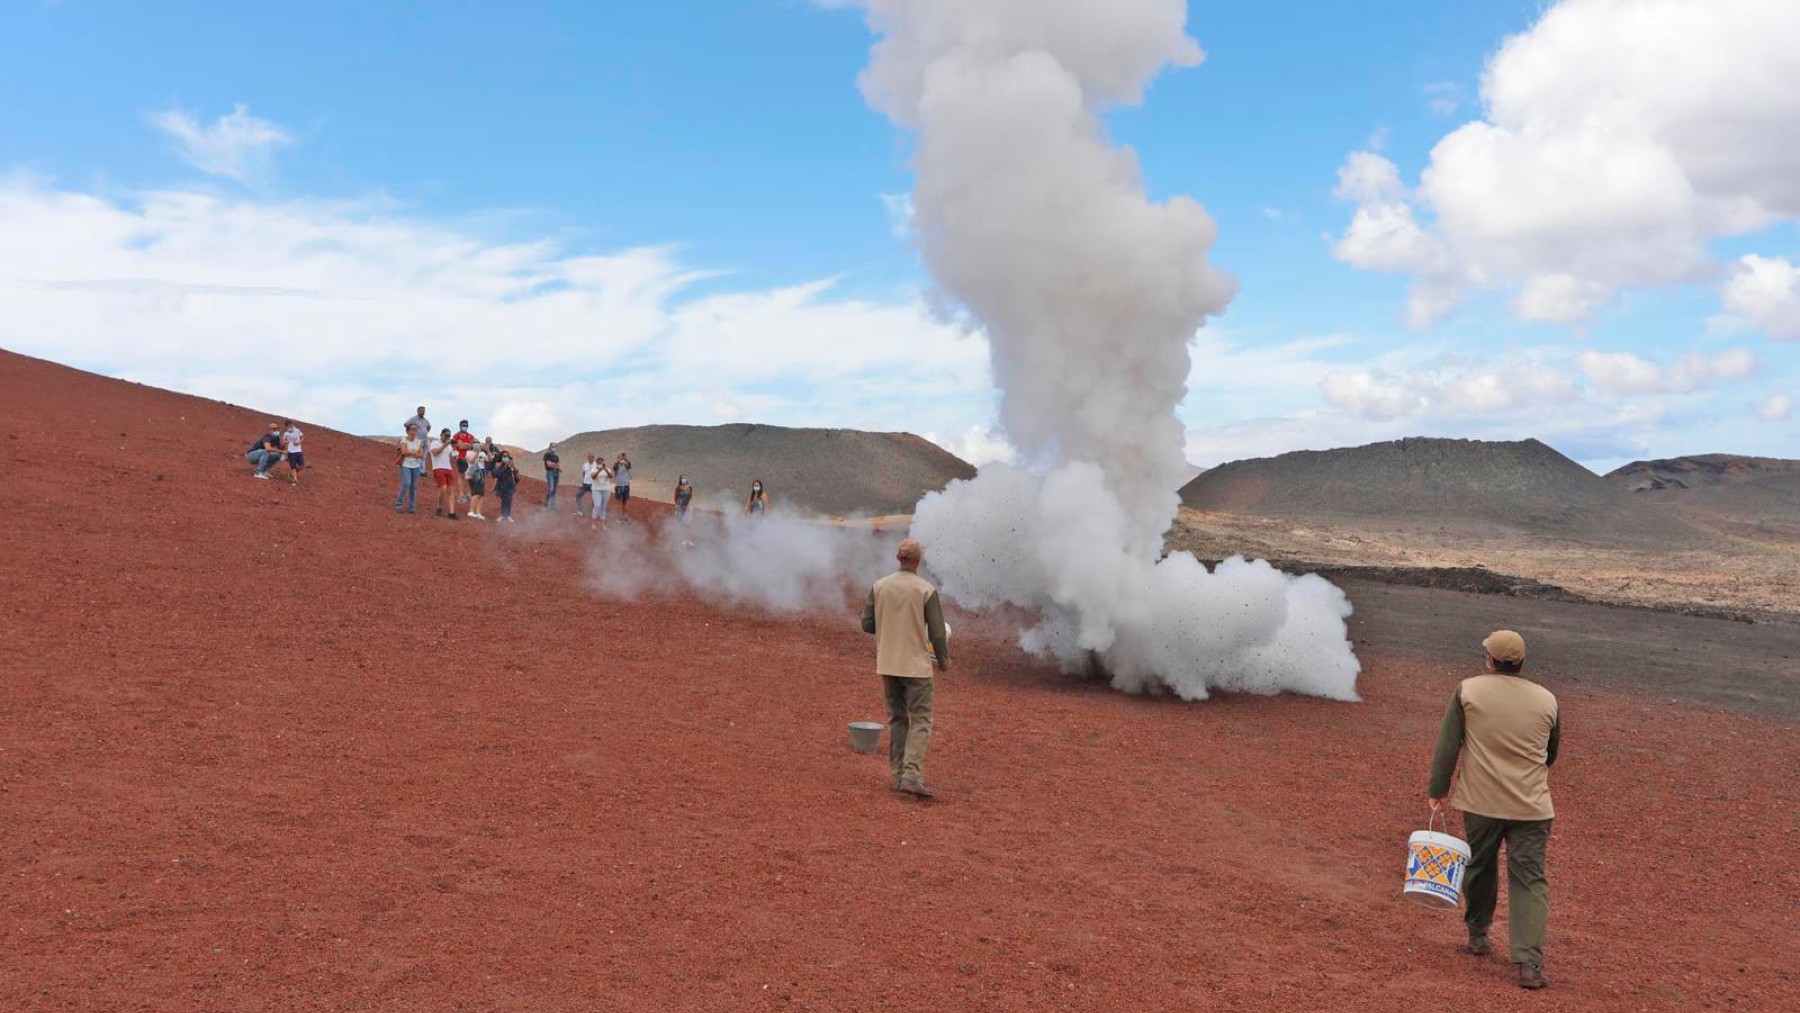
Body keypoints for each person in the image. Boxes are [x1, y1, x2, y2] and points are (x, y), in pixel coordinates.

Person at [1427, 629, 1561, 991]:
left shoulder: (1468, 690)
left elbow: (1448, 745)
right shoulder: (1546, 699)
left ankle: (1478, 935)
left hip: (1481, 802)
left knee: (1481, 864)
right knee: (1529, 878)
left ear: (1489, 660)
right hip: (1532, 807)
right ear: (1521, 662)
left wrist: (1438, 790)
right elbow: (1550, 753)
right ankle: (1529, 963)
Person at [860, 539, 950, 799]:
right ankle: (911, 775)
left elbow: (867, 623)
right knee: (921, 719)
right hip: (916, 667)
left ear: (898, 558)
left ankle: (898, 774)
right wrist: (944, 661)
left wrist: (890, 626)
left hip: (887, 663)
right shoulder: (926, 590)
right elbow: (937, 632)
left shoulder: (880, 586)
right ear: (918, 561)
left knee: (897, 718)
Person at [428, 428, 460, 519]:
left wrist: (454, 449)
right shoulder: (435, 443)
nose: (447, 437)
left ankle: (451, 512)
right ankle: (439, 506)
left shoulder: (449, 446)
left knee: (451, 490)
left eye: (449, 436)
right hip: (438, 468)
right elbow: (434, 453)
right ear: (441, 435)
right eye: (446, 435)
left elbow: (452, 457)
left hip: (448, 468)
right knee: (443, 489)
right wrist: (445, 445)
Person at [394, 423, 425, 513]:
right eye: (412, 429)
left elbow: (420, 454)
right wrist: (414, 454)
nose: (414, 432)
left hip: (416, 466)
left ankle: (412, 507)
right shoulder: (403, 440)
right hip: (405, 465)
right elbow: (403, 452)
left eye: (415, 430)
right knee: (406, 483)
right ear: (407, 431)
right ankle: (398, 504)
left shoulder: (419, 441)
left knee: (413, 486)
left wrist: (410, 452)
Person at [451, 421, 477, 505]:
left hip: (470, 458)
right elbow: (460, 446)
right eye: (463, 425)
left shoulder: (471, 436)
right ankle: (461, 495)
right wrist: (469, 444)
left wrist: (464, 444)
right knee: (462, 476)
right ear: (460, 426)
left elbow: (474, 446)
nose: (465, 427)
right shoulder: (456, 435)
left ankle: (469, 495)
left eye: (466, 425)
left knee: (470, 477)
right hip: (461, 458)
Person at [465, 443, 490, 521]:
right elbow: (471, 460)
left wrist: (487, 450)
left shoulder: (482, 453)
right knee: (476, 492)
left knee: (481, 493)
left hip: (481, 473)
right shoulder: (469, 452)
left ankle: (478, 512)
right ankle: (471, 511)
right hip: (474, 472)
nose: (477, 444)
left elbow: (489, 459)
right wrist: (477, 451)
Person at [492, 452, 519, 522]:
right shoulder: (499, 465)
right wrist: (504, 466)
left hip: (510, 486)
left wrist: (512, 466)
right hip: (501, 486)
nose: (506, 458)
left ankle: (508, 515)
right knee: (504, 500)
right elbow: (496, 474)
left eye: (507, 456)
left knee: (509, 500)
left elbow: (516, 474)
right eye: (504, 456)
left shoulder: (511, 466)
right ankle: (503, 515)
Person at [281, 419, 306, 486]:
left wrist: (299, 442)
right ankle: (294, 480)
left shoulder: (297, 430)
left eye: (291, 425)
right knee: (293, 467)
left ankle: (292, 474)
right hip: (291, 452)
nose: (291, 427)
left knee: (302, 466)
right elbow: (284, 440)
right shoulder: (286, 433)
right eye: (289, 426)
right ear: (286, 427)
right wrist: (286, 442)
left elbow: (302, 437)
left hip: (298, 451)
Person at [589, 455, 613, 524]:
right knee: (597, 505)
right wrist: (599, 470)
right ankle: (593, 522)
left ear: (603, 462)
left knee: (604, 506)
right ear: (596, 462)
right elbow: (593, 477)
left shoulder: (607, 469)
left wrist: (604, 469)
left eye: (601, 460)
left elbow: (611, 476)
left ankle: (602, 522)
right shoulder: (593, 469)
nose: (600, 462)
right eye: (598, 460)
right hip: (596, 489)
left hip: (606, 489)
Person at [612, 452, 633, 522]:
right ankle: (619, 517)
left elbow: (629, 466)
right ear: (618, 458)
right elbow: (614, 468)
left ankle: (624, 517)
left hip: (626, 485)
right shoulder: (616, 464)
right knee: (619, 502)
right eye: (620, 457)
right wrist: (618, 461)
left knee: (625, 502)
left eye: (622, 457)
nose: (622, 458)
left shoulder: (626, 464)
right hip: (619, 486)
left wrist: (625, 460)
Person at [543, 443, 561, 509]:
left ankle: (552, 504)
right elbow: (548, 464)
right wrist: (555, 465)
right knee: (551, 488)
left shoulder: (556, 456)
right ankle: (549, 505)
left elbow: (558, 464)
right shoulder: (547, 455)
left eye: (555, 446)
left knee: (554, 489)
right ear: (550, 447)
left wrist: (554, 465)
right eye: (552, 446)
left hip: (556, 473)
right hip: (550, 473)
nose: (554, 448)